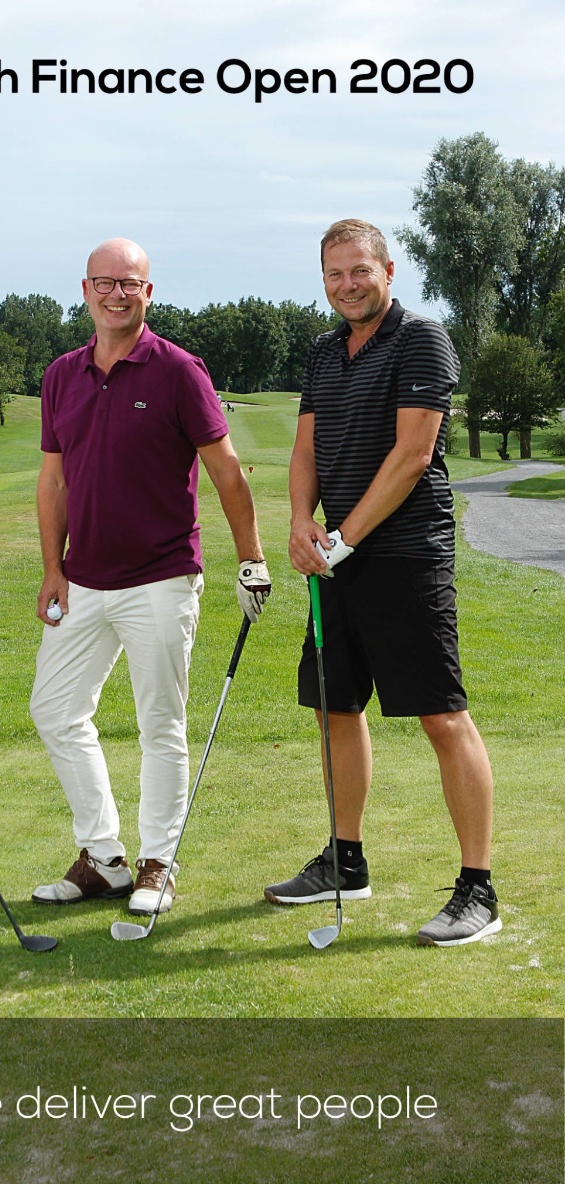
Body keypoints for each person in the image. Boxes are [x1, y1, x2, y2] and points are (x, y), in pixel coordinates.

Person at [264, 218, 501, 948]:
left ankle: (478, 889)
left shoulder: (422, 338)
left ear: (388, 271)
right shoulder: (322, 352)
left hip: (404, 555)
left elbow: (411, 454)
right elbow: (305, 447)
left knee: (439, 714)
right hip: (337, 555)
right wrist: (303, 520)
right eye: (333, 274)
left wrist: (343, 537)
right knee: (335, 708)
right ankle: (345, 859)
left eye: (358, 270)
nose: (346, 284)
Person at [30, 237, 270, 915]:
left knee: (159, 722)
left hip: (161, 578)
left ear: (148, 292)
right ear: (85, 290)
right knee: (54, 709)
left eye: (129, 284)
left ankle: (157, 864)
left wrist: (250, 558)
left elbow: (226, 473)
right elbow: (54, 481)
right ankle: (103, 858)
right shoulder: (61, 375)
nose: (116, 294)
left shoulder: (178, 370)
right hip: (82, 581)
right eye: (104, 283)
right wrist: (53, 567)